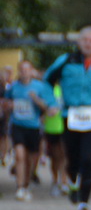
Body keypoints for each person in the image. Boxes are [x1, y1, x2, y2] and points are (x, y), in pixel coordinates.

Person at [43, 26, 91, 210]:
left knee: (89, 158)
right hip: (69, 114)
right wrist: (52, 103)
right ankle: (72, 181)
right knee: (72, 157)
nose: (88, 43)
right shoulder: (65, 60)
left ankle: (83, 204)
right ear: (78, 42)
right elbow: (47, 81)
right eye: (84, 40)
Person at [8, 61, 55, 200]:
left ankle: (26, 184)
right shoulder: (13, 87)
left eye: (26, 69)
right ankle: (20, 186)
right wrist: (8, 105)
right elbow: (5, 101)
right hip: (17, 125)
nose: (24, 72)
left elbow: (47, 107)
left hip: (33, 127)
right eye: (21, 69)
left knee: (30, 159)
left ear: (31, 71)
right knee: (19, 155)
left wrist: (36, 99)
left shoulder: (39, 87)